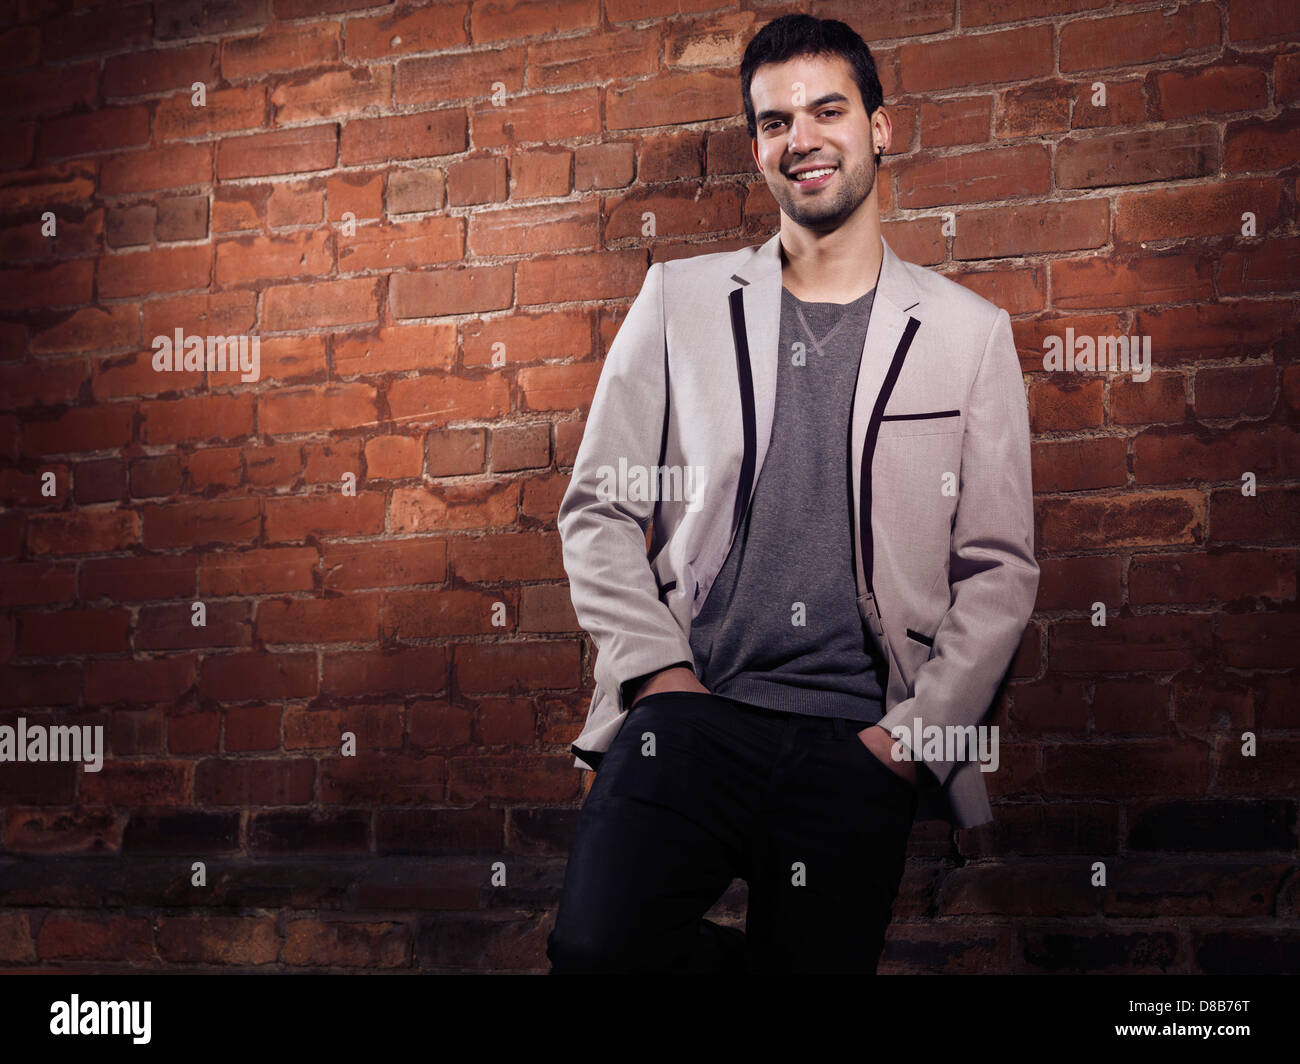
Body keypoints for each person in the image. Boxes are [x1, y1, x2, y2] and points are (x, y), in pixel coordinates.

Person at [548, 12, 1038, 974]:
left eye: (827, 110)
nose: (801, 138)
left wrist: (906, 743)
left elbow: (998, 568)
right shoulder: (678, 299)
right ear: (758, 147)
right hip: (691, 719)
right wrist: (658, 683)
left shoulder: (969, 333)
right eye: (775, 122)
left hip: (854, 748)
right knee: (596, 954)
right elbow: (598, 506)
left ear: (880, 128)